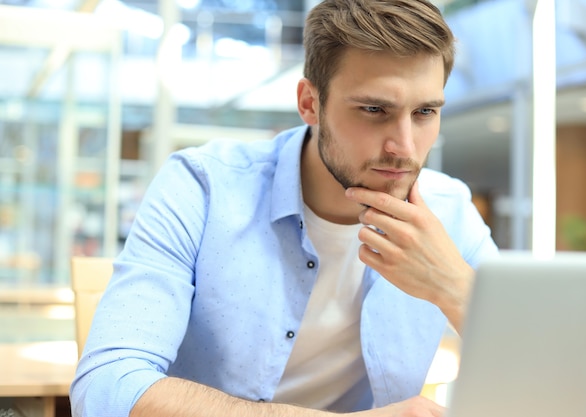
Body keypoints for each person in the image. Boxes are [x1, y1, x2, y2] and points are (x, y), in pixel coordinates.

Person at [70, 0, 498, 416]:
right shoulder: (203, 187)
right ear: (310, 103)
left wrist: (456, 289)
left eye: (424, 112)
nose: (404, 147)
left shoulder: (450, 210)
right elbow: (107, 387)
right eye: (374, 110)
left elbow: (554, 372)